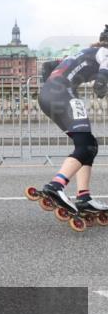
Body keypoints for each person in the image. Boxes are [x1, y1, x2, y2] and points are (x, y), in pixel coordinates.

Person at [32, 25, 108, 219]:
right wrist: (101, 87)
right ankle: (56, 186)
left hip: (48, 94)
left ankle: (84, 197)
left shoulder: (83, 52)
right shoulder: (106, 53)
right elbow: (102, 79)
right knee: (87, 145)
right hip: (64, 94)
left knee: (87, 143)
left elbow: (48, 66)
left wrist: (51, 87)